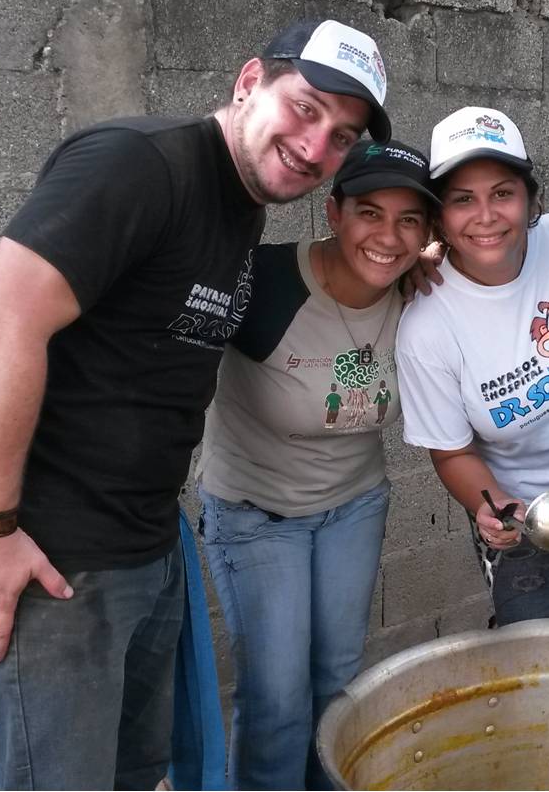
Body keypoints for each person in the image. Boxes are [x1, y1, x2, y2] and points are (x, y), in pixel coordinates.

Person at [0, 18, 392, 790]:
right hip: (48, 554)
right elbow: (0, 324)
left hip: (142, 543)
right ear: (249, 82)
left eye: (342, 136)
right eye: (305, 108)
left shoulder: (239, 202)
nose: (316, 148)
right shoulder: (140, 164)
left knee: (138, 773)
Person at [195, 139, 438, 790]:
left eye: (409, 219)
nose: (388, 236)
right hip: (254, 512)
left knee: (337, 684)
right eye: (370, 212)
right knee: (276, 699)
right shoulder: (261, 282)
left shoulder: (418, 290)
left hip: (352, 505)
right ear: (333, 212)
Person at [396, 107, 549, 627]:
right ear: (438, 215)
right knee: (532, 651)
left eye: (502, 193)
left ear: (531, 199)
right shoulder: (426, 326)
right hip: (520, 512)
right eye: (463, 199)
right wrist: (492, 505)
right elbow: (453, 451)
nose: (485, 216)